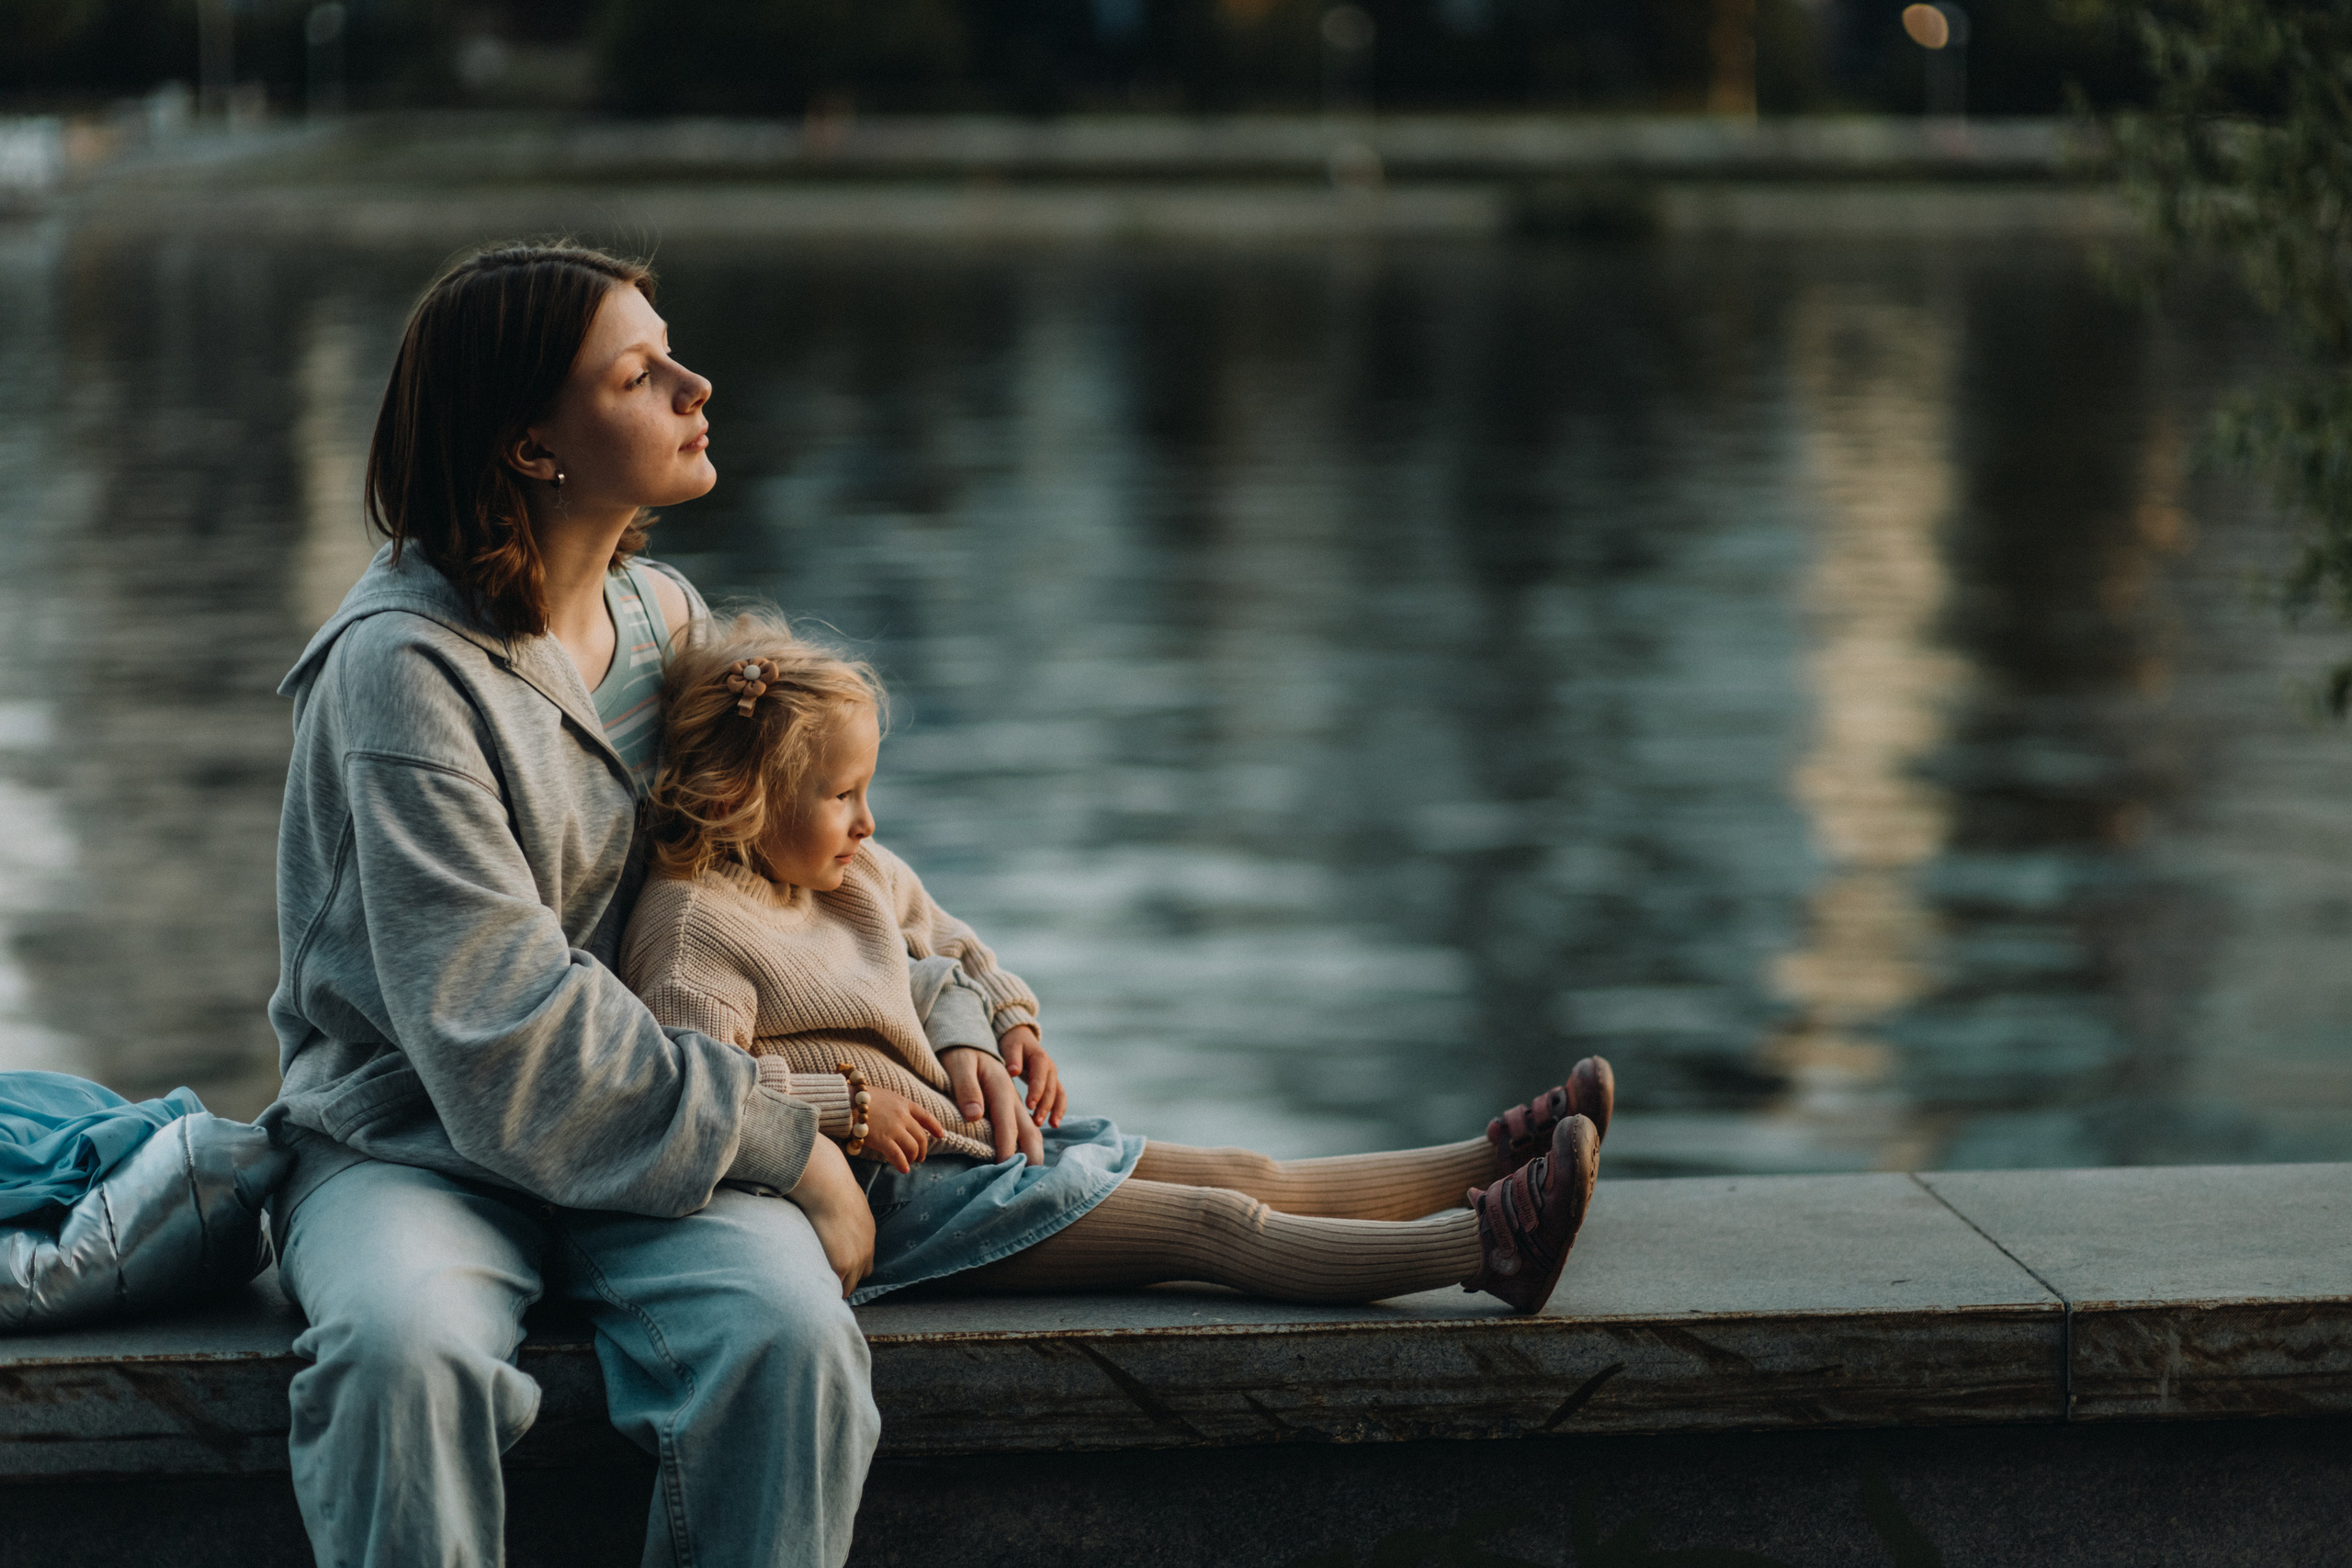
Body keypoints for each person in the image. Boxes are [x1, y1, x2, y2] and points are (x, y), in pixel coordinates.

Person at [259, 244, 877, 1568]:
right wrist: (794, 1144)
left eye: (676, 354)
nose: (695, 384)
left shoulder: (666, 617)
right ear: (534, 443)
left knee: (791, 1339)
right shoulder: (401, 675)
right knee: (398, 1354)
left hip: (641, 1136)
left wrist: (968, 1010)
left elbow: (801, 869)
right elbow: (502, 1029)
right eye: (641, 372)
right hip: (407, 1142)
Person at [618, 614, 1614, 1314]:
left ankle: (1496, 1164)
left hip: (970, 1142)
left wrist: (1006, 1021)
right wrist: (845, 1108)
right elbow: (696, 1094)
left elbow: (949, 946)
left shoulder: (846, 868)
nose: (868, 821)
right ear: (741, 794)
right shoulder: (692, 928)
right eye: (842, 795)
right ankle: (1485, 1250)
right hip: (907, 1198)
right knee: (1215, 1229)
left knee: (1243, 1168)